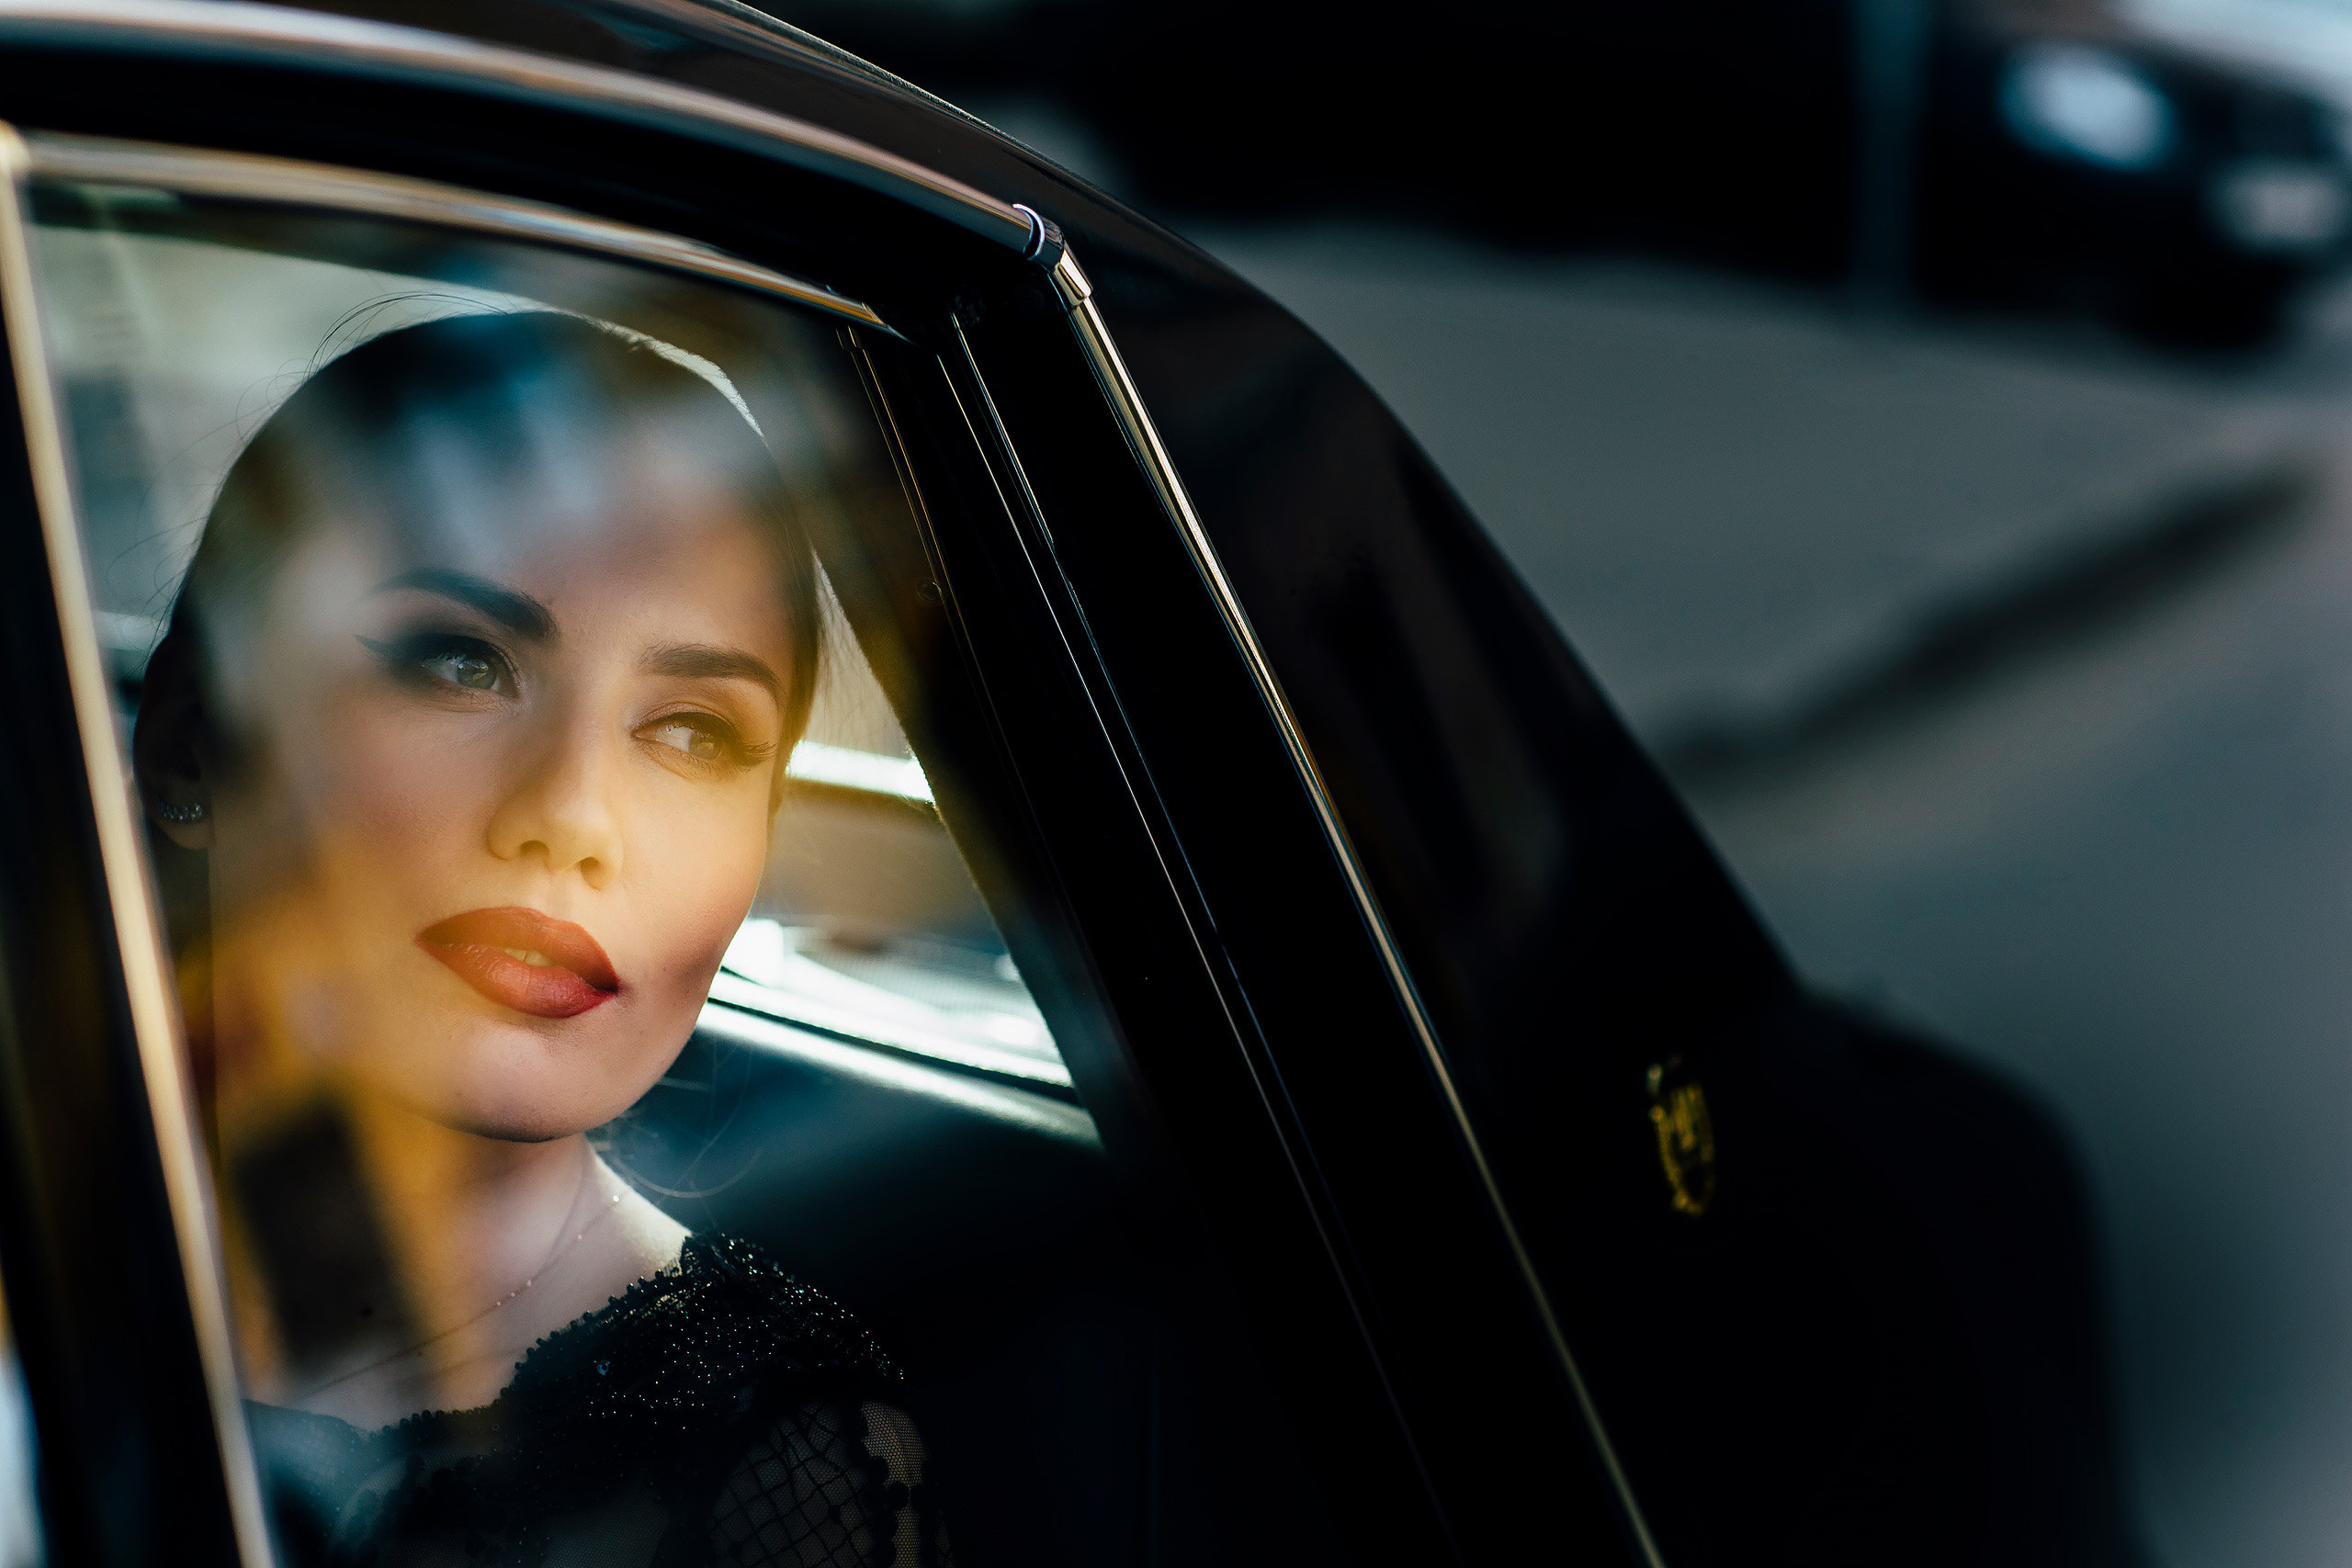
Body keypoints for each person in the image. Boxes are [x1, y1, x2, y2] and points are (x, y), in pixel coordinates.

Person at [131, 310, 946, 1568]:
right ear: (195, 738)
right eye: (461, 663)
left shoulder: (779, 1458)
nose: (572, 817)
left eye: (692, 733)